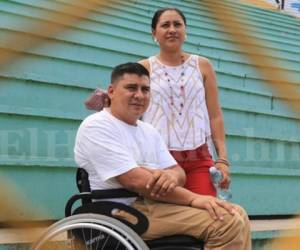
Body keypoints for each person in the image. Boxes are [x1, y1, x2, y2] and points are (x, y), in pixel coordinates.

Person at [75, 62, 251, 249]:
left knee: (237, 213)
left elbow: (179, 173)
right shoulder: (97, 125)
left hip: (153, 205)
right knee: (226, 222)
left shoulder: (148, 130)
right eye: (131, 88)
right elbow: (135, 180)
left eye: (145, 89)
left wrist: (169, 176)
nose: (139, 95)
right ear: (111, 91)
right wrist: (193, 198)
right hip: (120, 212)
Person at [85, 8, 230, 197]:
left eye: (177, 24)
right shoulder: (144, 67)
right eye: (165, 25)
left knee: (208, 213)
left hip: (199, 157)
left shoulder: (202, 66)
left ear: (185, 31)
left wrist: (223, 159)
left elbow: (215, 115)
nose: (172, 29)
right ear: (154, 33)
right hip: (160, 158)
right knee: (169, 216)